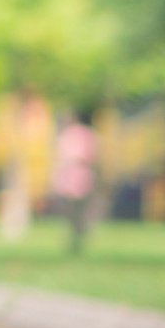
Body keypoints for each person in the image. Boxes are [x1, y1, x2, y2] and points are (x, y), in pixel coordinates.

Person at [52, 104, 104, 255]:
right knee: (73, 212)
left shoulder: (80, 134)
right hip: (72, 178)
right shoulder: (76, 134)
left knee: (78, 211)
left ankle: (78, 236)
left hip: (79, 178)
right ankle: (76, 236)